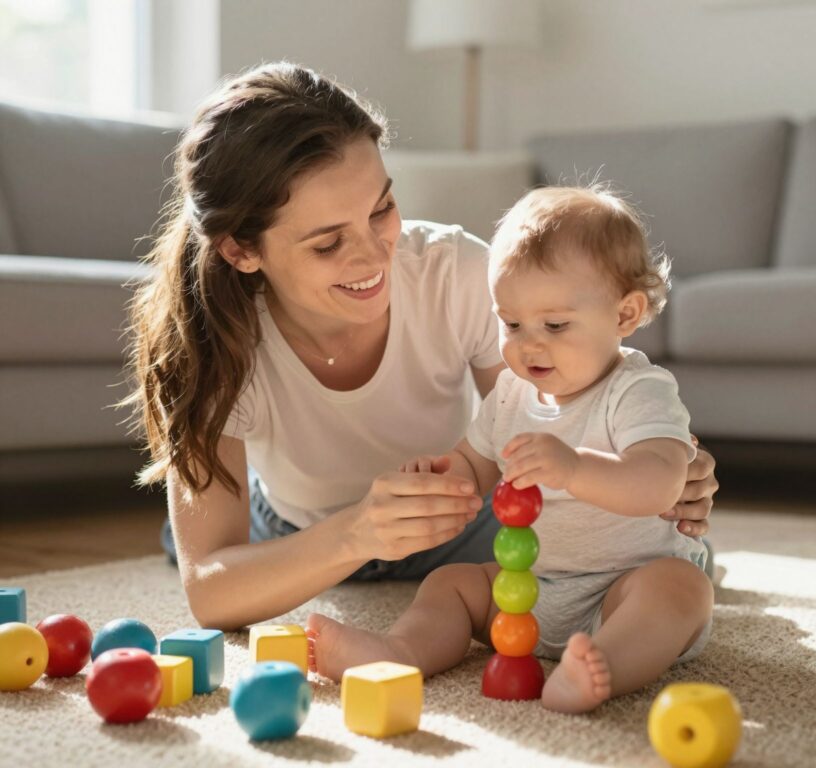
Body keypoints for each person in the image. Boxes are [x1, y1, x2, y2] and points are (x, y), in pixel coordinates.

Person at [124, 62, 719, 632]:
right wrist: (359, 532)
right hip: (292, 526)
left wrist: (655, 463)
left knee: (632, 564)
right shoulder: (212, 339)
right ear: (241, 251)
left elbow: (559, 409)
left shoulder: (455, 272)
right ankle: (193, 515)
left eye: (381, 208)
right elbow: (210, 594)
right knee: (200, 545)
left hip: (465, 521)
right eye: (328, 243)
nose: (374, 255)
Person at [305, 185, 712, 714]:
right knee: (450, 583)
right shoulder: (512, 393)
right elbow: (478, 460)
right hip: (530, 589)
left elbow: (658, 481)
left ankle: (601, 669)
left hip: (624, 588)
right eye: (511, 323)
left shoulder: (638, 390)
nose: (528, 343)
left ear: (625, 314)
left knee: (680, 589)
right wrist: (445, 473)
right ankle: (399, 651)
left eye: (555, 325)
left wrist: (574, 467)